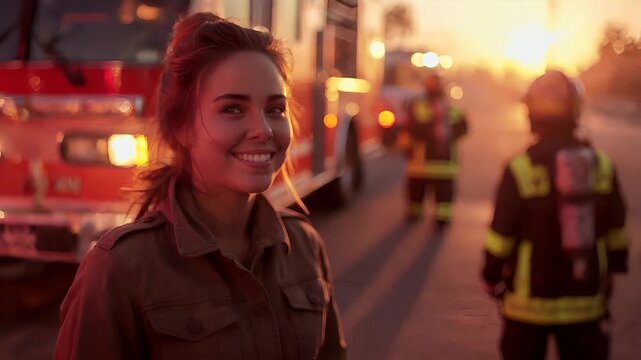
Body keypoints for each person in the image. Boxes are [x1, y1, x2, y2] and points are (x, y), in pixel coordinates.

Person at [55, 12, 346, 360]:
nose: (263, 130)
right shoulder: (119, 269)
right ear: (182, 127)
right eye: (233, 109)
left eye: (275, 109)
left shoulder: (304, 246)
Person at [481, 70, 629, 360]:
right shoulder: (601, 166)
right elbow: (616, 232)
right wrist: (612, 270)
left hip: (527, 307)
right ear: (576, 109)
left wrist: (491, 274)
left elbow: (501, 235)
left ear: (531, 112)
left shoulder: (520, 168)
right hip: (586, 303)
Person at [404, 72, 468, 227]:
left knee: (421, 193)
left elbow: (410, 127)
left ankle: (425, 215)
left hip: (422, 163)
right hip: (439, 163)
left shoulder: (418, 106)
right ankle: (439, 218)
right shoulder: (451, 108)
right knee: (438, 194)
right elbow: (463, 128)